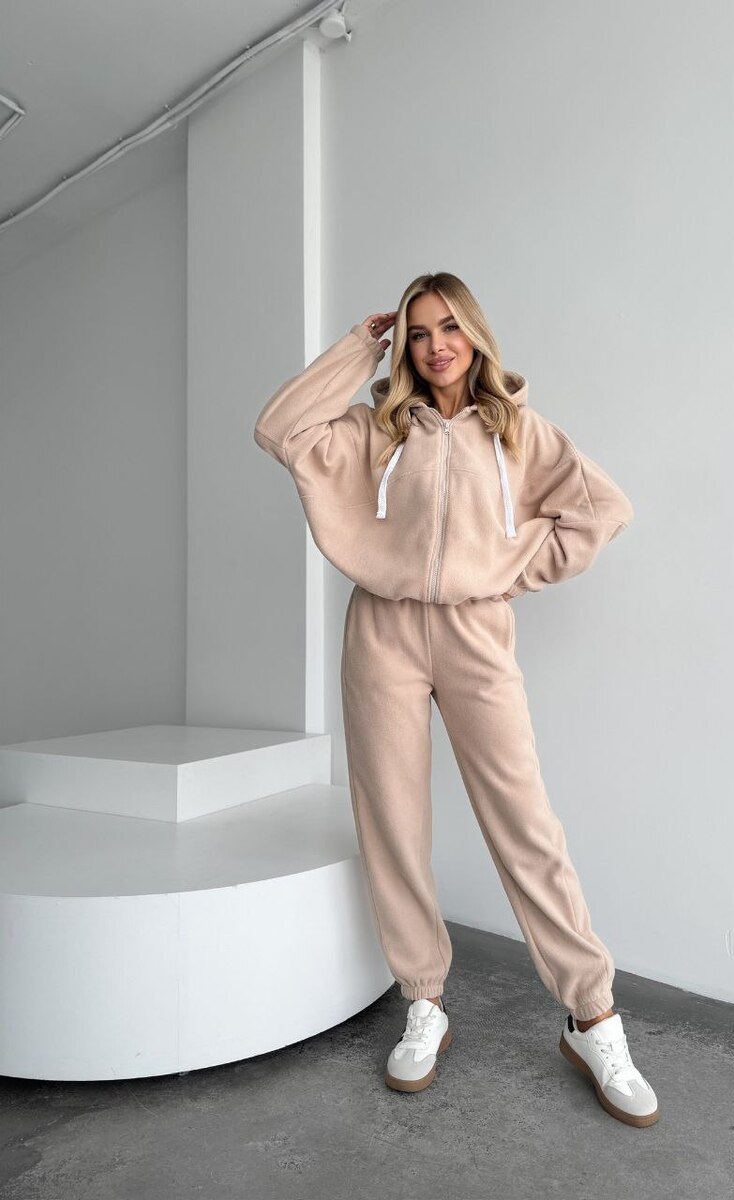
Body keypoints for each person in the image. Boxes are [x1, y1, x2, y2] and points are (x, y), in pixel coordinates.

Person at [253, 272, 659, 1128]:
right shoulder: (376, 428)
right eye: (419, 331)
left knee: (525, 822)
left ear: (474, 334)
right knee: (393, 823)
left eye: (449, 327)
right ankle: (424, 1001)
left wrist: (509, 572)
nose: (436, 345)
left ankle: (593, 1016)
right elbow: (280, 428)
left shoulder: (519, 431)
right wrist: (360, 345)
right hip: (382, 632)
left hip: (476, 635)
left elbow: (603, 510)